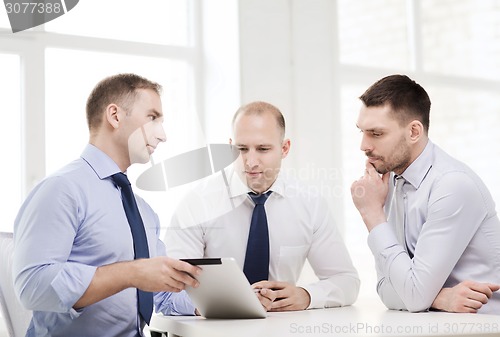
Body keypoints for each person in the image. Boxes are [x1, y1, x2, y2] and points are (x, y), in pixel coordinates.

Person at [13, 73, 202, 337]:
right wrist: (130, 273)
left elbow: (164, 296)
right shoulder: (62, 189)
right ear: (115, 116)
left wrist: (233, 302)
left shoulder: (144, 212)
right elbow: (32, 287)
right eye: (152, 117)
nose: (163, 135)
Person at [162, 101, 360, 314]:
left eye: (263, 149)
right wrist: (227, 304)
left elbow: (346, 281)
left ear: (285, 149)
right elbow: (167, 296)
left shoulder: (309, 204)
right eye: (241, 149)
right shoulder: (197, 203)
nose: (251, 162)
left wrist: (306, 295)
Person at [350, 74, 500, 314]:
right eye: (362, 132)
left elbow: (414, 297)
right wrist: (439, 298)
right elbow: (385, 289)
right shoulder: (391, 182)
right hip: (434, 326)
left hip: (486, 328)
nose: (364, 146)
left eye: (376, 134)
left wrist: (372, 213)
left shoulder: (452, 185)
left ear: (413, 132)